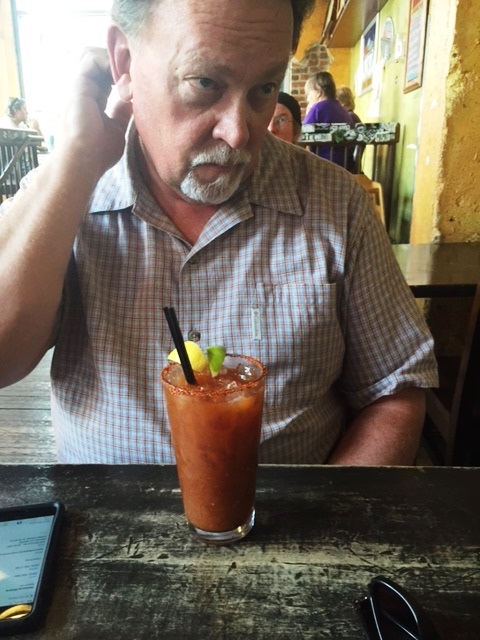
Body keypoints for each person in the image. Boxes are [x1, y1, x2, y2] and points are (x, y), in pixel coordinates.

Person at [0, 0, 437, 466]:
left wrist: (328, 510)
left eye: (264, 89)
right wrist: (77, 160)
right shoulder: (64, 191)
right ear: (124, 62)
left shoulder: (336, 203)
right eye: (205, 83)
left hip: (291, 509)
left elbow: (394, 390)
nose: (238, 133)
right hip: (102, 511)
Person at [303, 71, 354, 168]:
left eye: (308, 94)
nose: (307, 99)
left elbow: (300, 135)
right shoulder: (343, 110)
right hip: (346, 166)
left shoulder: (317, 109)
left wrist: (308, 113)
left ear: (318, 93)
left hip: (323, 166)